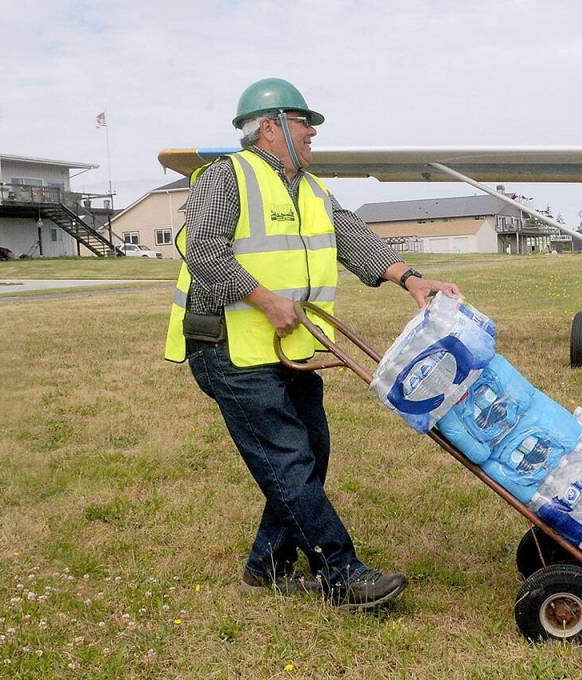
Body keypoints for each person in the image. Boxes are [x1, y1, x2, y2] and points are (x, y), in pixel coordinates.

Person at [163, 77, 461, 609]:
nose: (313, 133)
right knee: (287, 457)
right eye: (305, 123)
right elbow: (203, 252)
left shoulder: (312, 188)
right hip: (228, 349)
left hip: (286, 348)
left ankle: (268, 566)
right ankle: (340, 572)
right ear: (270, 127)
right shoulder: (225, 178)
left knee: (312, 446)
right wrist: (264, 298)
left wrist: (411, 278)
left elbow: (349, 235)